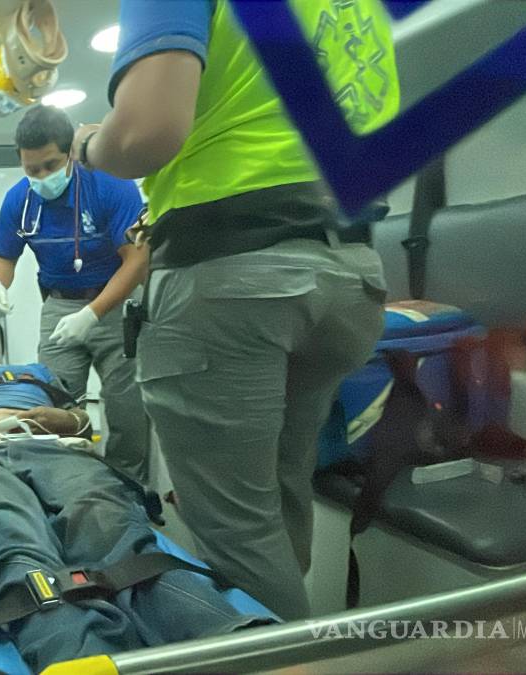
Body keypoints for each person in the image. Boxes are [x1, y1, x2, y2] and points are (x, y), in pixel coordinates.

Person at [67, 0, 399, 620]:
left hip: (234, 276)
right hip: (348, 274)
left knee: (239, 532)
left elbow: (143, 132)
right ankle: (291, 627)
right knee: (280, 492)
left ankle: (283, 653)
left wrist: (87, 145)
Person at [0, 333, 271, 672]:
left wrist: (62, 418)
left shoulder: (36, 372)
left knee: (105, 522)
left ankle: (225, 641)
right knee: (14, 540)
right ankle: (78, 657)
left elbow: (80, 421)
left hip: (56, 451)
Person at [0, 104, 152, 483]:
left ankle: (129, 490)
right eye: (32, 170)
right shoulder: (19, 200)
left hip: (117, 304)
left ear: (72, 154)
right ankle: (69, 485)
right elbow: (4, 257)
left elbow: (137, 260)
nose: (42, 177)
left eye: (51, 165)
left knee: (127, 409)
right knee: (54, 405)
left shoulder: (110, 185)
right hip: (59, 305)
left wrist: (93, 313)